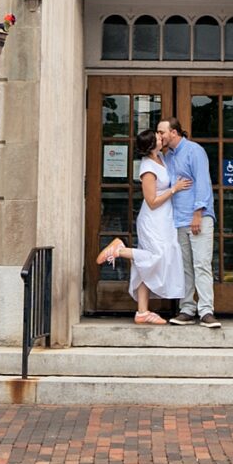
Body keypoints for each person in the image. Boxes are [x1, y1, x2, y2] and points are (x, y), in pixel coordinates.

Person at [93, 130, 191, 324]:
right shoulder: (147, 167)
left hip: (165, 219)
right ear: (151, 145)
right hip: (153, 218)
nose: (160, 137)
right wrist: (174, 189)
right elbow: (152, 201)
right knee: (156, 258)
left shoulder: (161, 157)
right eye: (157, 137)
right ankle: (119, 250)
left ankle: (142, 311)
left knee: (149, 263)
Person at [155, 114, 219, 326]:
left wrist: (198, 214)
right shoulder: (168, 156)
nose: (159, 136)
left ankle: (206, 310)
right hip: (178, 220)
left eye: (161, 132)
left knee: (201, 264)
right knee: (185, 267)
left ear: (174, 132)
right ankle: (187, 308)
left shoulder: (194, 151)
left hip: (197, 217)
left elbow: (202, 182)